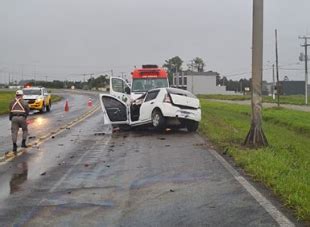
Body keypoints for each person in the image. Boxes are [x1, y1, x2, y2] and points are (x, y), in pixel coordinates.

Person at [9, 90, 30, 155]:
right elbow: (27, 110)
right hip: (22, 117)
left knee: (14, 132)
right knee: (25, 130)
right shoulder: (24, 102)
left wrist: (11, 118)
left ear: (16, 95)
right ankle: (23, 143)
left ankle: (14, 146)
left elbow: (10, 110)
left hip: (14, 118)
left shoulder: (11, 102)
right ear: (22, 95)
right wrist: (25, 116)